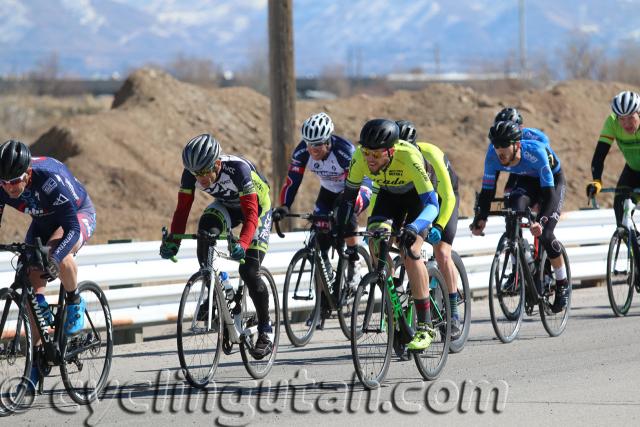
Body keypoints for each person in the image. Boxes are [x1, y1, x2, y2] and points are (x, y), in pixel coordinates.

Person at [160, 134, 274, 358]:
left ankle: (265, 329)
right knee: (205, 230)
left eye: (204, 172)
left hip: (257, 210)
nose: (200, 178)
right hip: (227, 207)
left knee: (249, 271)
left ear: (217, 164)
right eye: (195, 174)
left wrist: (242, 242)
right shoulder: (191, 172)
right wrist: (173, 241)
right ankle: (217, 286)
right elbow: (182, 210)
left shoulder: (238, 170)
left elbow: (251, 215)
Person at [335, 119, 440, 351]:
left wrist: (414, 228)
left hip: (418, 198)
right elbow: (348, 200)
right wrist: (340, 228)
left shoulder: (409, 157)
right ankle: (396, 304)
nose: (369, 159)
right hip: (388, 195)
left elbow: (433, 205)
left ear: (391, 151)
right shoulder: (359, 159)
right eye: (366, 152)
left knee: (410, 250)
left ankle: (425, 326)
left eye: (376, 154)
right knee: (375, 241)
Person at [0, 139, 97, 390]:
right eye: (4, 182)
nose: (9, 188)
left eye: (14, 181)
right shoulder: (2, 183)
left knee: (57, 256)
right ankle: (36, 361)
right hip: (41, 220)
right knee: (31, 284)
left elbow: (73, 229)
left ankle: (75, 301)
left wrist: (53, 259)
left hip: (76, 215)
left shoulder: (49, 179)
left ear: (28, 173)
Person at [470, 121, 569, 313]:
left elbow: (548, 195)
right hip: (527, 180)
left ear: (517, 144)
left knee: (546, 234)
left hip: (552, 183)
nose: (500, 151)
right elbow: (487, 190)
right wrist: (480, 218)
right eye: (496, 145)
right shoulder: (492, 155)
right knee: (513, 204)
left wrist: (541, 222)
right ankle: (521, 260)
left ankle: (562, 283)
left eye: (504, 145)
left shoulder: (536, 152)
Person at [273, 112, 372, 299]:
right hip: (329, 189)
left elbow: (355, 184)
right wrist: (285, 205)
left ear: (328, 141)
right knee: (321, 228)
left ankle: (353, 259)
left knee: (345, 210)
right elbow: (293, 180)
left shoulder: (344, 152)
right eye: (309, 143)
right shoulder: (302, 152)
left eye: (318, 144)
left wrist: (341, 213)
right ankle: (325, 285)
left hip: (356, 187)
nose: (313, 149)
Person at [395, 120, 462, 339]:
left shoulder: (431, 154)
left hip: (444, 196)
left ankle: (453, 312)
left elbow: (448, 197)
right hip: (414, 196)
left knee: (442, 252)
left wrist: (440, 225)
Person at [586, 91, 640, 227]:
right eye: (622, 119)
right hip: (632, 170)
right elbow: (600, 155)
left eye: (630, 117)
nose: (626, 123)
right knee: (620, 210)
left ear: (638, 112)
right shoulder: (612, 122)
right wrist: (596, 180)